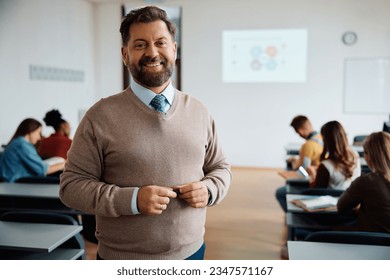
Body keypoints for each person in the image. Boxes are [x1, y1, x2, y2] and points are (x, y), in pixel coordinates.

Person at [59, 6, 231, 260]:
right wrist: (132, 200)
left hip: (193, 253)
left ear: (173, 49)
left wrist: (210, 190)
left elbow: (221, 168)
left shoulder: (199, 111)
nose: (152, 52)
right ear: (125, 54)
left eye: (160, 43)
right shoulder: (100, 116)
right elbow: (71, 187)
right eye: (140, 45)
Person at [337, 132, 390, 233]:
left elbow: (341, 207)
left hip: (370, 242)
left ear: (369, 156)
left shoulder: (365, 181)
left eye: (365, 152)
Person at [276, 115, 324, 212]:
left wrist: (294, 163)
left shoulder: (308, 145)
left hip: (313, 182)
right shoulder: (322, 137)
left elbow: (304, 171)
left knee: (280, 192)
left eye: (297, 132)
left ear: (300, 130)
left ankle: (293, 214)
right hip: (323, 178)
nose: (299, 135)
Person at [0, 118, 65, 182]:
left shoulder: (17, 142)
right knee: (59, 180)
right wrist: (65, 164)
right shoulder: (22, 145)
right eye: (39, 133)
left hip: (13, 180)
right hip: (16, 182)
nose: (39, 137)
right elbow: (42, 170)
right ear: (31, 130)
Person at [307, 121, 361, 189]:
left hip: (330, 199)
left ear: (326, 141)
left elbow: (316, 191)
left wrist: (312, 174)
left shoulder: (325, 165)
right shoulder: (355, 156)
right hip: (351, 198)